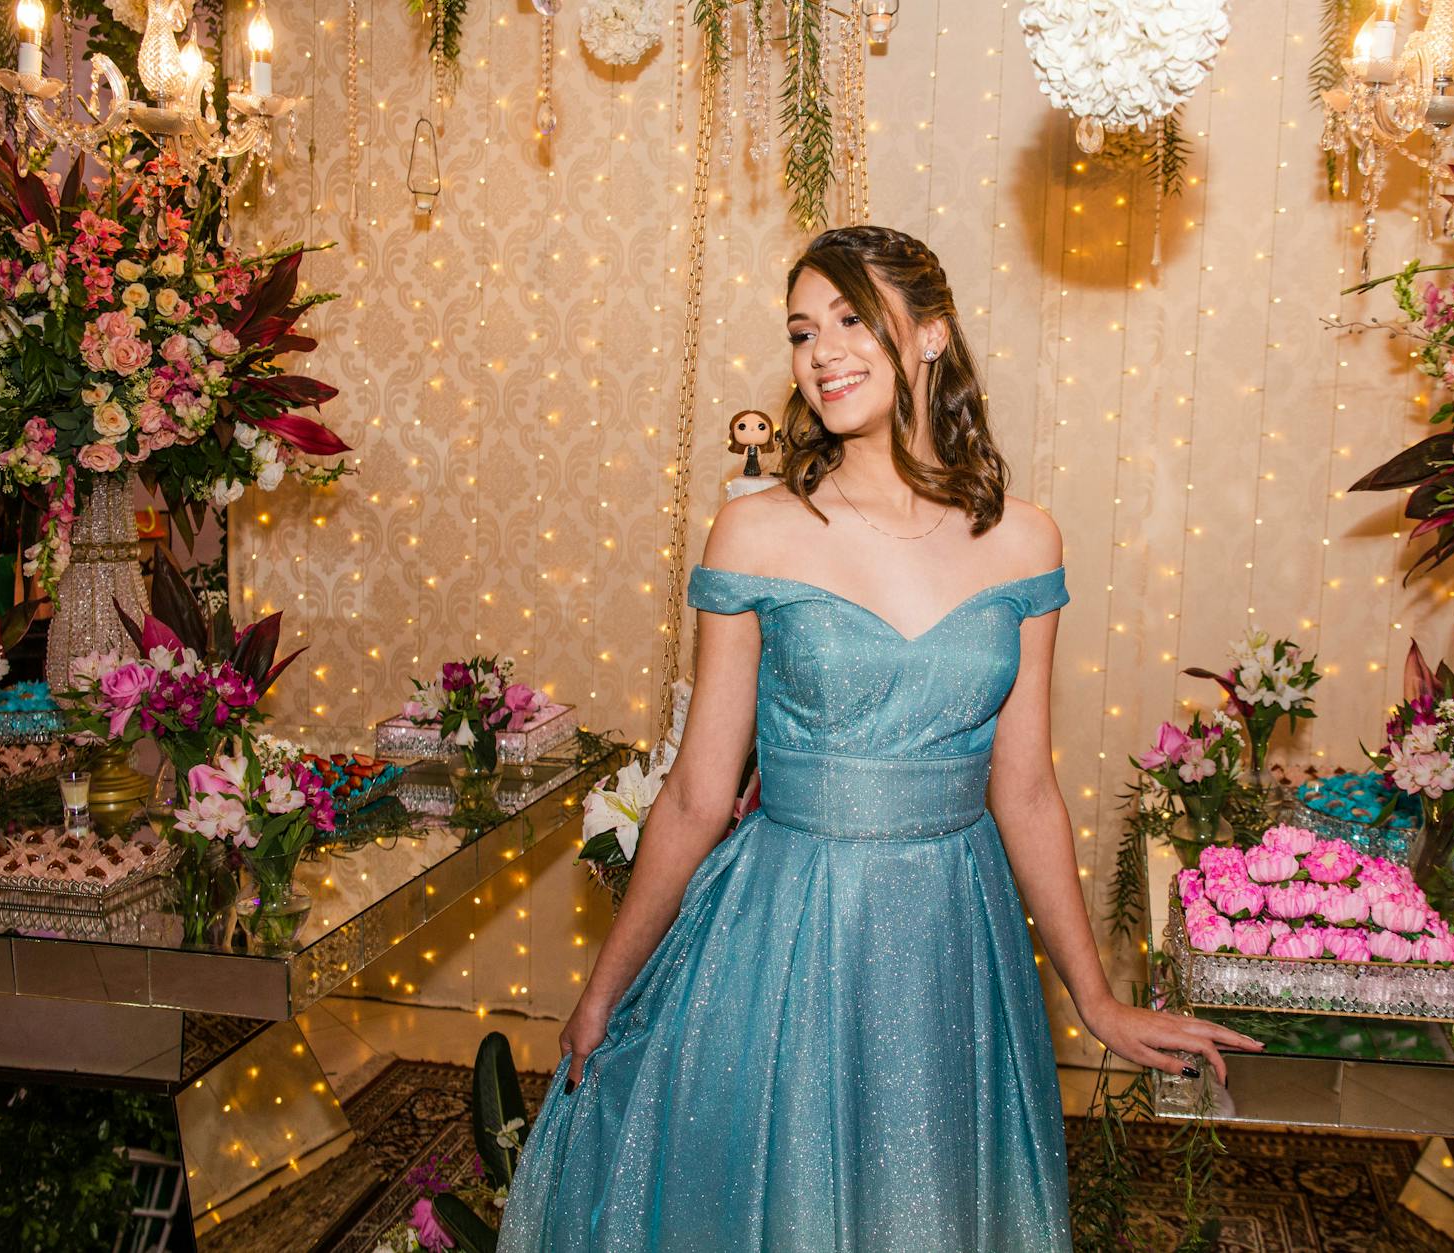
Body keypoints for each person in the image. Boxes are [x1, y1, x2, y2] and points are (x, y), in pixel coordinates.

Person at [496, 225, 1260, 1252]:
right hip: (782, 930)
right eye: (803, 330)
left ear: (929, 336)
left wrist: (1096, 997)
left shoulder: (1023, 539)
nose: (822, 351)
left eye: (853, 319)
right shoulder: (757, 531)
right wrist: (603, 993)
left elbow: (1024, 786)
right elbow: (694, 794)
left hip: (954, 933)